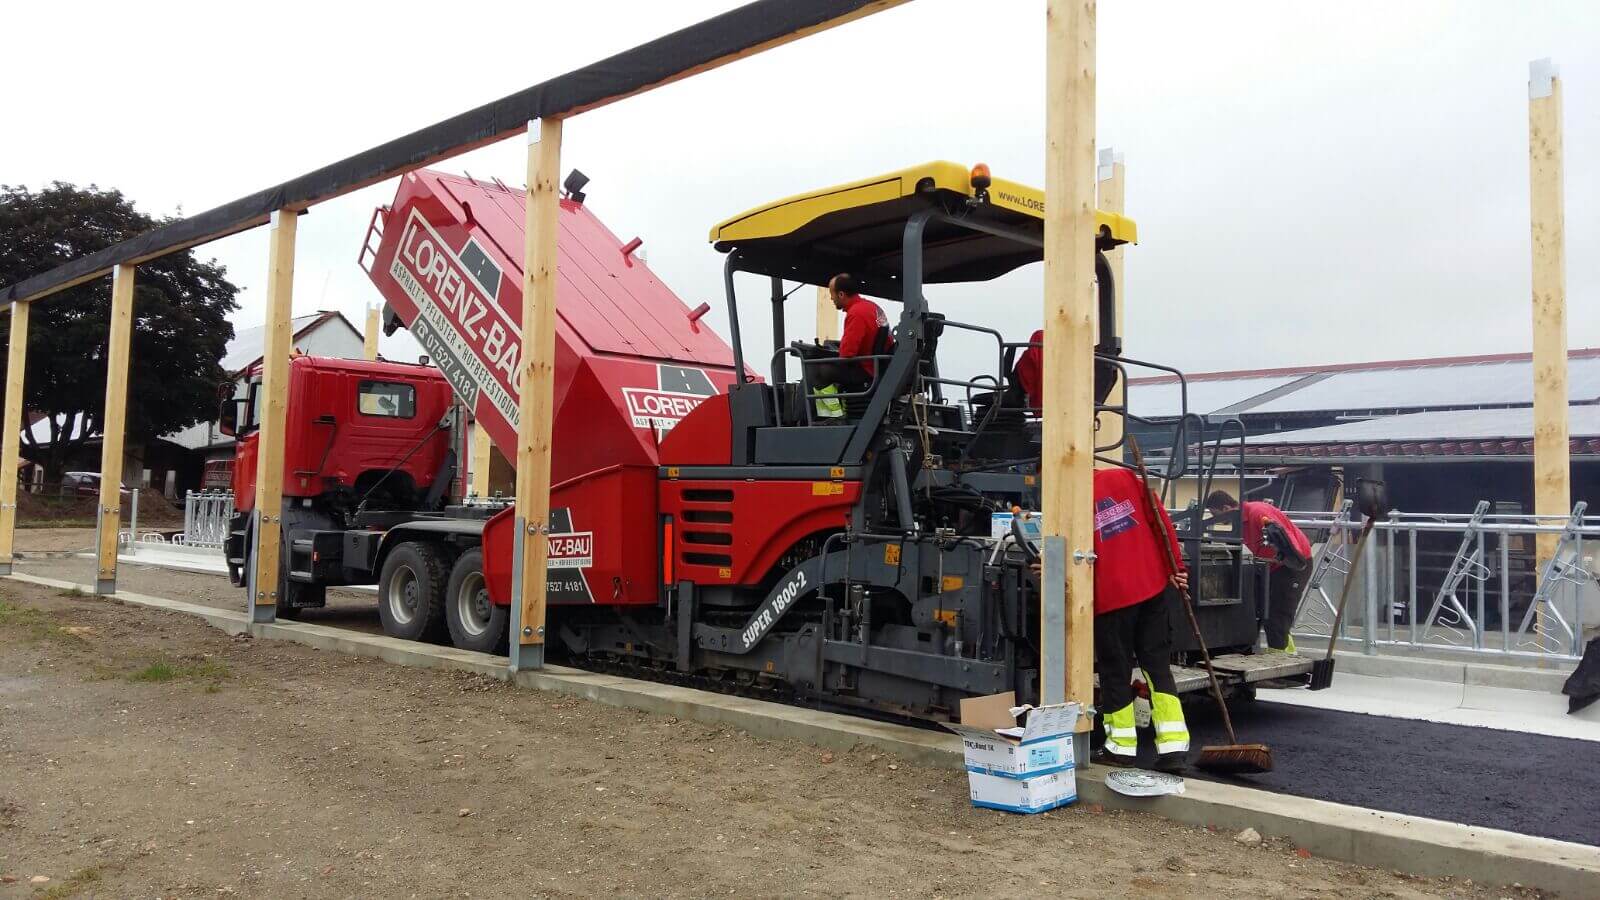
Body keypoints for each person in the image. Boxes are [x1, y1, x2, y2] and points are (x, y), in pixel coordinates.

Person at [1092, 465, 1191, 770]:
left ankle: (1120, 748)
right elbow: (1161, 522)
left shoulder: (1068, 495)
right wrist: (1176, 568)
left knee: (1116, 671)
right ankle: (1173, 749)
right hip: (1152, 587)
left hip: (1111, 597)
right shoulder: (1127, 479)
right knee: (1158, 667)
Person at [1204, 490, 1313, 653]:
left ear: (1226, 508)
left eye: (1217, 515)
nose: (1220, 521)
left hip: (1292, 565)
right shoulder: (1239, 524)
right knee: (1254, 610)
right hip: (1268, 567)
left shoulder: (1258, 512)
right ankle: (1250, 651)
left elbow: (1286, 538)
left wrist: (1289, 559)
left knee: (1277, 615)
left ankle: (1281, 657)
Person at [809, 274, 893, 417]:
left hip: (866, 369)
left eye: (832, 294)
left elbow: (847, 354)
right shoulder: (872, 307)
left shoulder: (856, 314)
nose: (831, 298)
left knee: (818, 372)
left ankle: (832, 416)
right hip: (878, 366)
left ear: (841, 294)